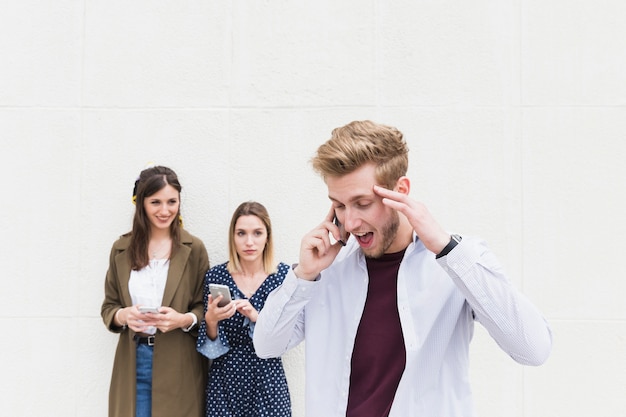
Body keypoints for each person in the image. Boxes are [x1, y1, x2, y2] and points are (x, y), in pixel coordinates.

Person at [253, 120, 553, 417]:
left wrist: (448, 250)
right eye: (340, 206)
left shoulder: (458, 261)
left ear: (401, 190)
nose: (350, 222)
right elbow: (267, 345)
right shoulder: (326, 269)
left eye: (363, 203)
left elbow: (533, 348)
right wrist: (303, 276)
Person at [101, 165, 210, 417]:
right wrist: (124, 315)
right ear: (141, 204)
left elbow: (205, 308)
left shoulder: (193, 249)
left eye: (172, 201)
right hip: (132, 361)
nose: (165, 210)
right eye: (155, 202)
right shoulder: (121, 249)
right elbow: (109, 306)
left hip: (179, 364)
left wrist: (182, 319)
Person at [197, 201, 292, 417]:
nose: (249, 242)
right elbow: (211, 347)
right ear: (233, 237)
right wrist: (211, 320)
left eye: (257, 233)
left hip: (268, 381)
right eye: (241, 233)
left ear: (268, 236)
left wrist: (257, 317)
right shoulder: (216, 276)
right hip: (225, 383)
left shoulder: (283, 278)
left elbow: (288, 336)